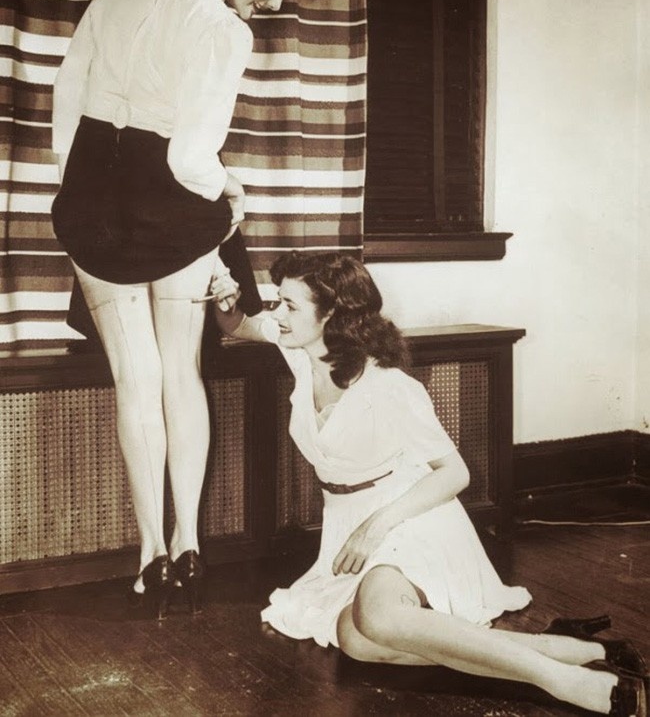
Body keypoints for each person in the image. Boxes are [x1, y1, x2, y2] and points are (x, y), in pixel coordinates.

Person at [211, 251, 648, 716]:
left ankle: (575, 684)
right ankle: (577, 649)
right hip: (350, 525)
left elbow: (455, 473)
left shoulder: (387, 385)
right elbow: (239, 325)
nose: (277, 313)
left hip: (410, 517)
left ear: (332, 315)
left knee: (378, 618)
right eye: (278, 302)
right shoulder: (299, 349)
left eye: (289, 305)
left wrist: (376, 526)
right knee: (356, 639)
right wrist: (225, 302)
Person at [50, 0, 330, 619]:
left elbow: (68, 91)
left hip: (90, 191)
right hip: (167, 198)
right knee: (181, 372)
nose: (276, 2)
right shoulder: (223, 27)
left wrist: (80, 180)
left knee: (136, 379)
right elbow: (188, 158)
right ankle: (188, 544)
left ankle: (149, 553)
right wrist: (232, 190)